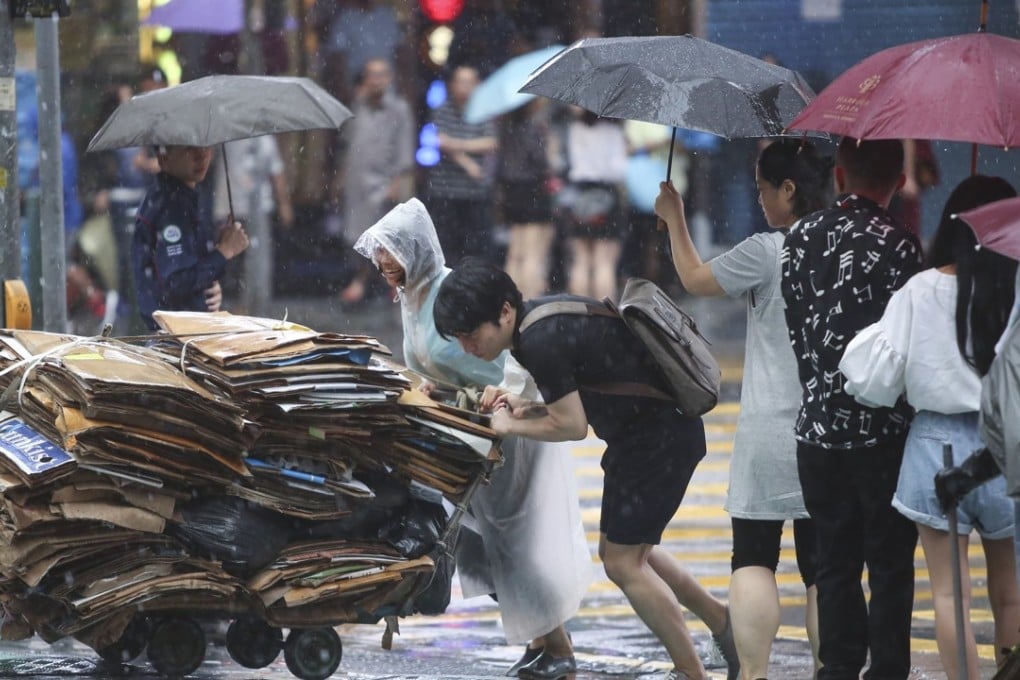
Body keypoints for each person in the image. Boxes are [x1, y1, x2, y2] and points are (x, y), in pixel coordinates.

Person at [433, 258, 740, 680]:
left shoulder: (538, 341)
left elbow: (572, 426)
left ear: (504, 311)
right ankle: (723, 624)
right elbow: (583, 391)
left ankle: (692, 673)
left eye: (471, 334)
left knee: (624, 563)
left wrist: (511, 423)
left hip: (656, 442)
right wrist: (530, 405)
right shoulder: (539, 319)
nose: (468, 346)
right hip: (650, 437)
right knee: (633, 553)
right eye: (459, 338)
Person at [353, 199, 592, 680]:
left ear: (416, 250)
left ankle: (559, 650)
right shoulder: (411, 297)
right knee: (491, 545)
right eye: (379, 259)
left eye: (391, 256)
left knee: (520, 545)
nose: (383, 267)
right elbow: (438, 369)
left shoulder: (451, 294)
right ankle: (543, 642)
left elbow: (512, 362)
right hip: (469, 436)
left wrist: (501, 402)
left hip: (513, 436)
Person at [654, 139, 830, 680]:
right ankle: (831, 669)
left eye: (761, 188)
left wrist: (674, 219)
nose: (757, 199)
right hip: (829, 432)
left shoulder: (767, 250)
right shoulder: (844, 246)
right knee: (823, 570)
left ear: (788, 190)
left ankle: (753, 674)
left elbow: (695, 280)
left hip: (767, 433)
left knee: (754, 558)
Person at [840, 175, 1020, 679]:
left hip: (936, 450)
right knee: (1009, 594)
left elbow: (877, 378)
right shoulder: (1016, 289)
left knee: (949, 593)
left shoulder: (919, 290)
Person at [780, 138, 924, 680]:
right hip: (882, 435)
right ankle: (887, 669)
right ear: (898, 179)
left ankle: (837, 667)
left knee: (833, 561)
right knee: (889, 562)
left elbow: (799, 327)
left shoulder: (796, 237)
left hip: (815, 431)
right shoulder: (903, 245)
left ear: (838, 174)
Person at [132, 145, 250, 331]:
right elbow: (176, 283)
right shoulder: (171, 206)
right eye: (189, 148)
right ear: (164, 158)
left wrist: (208, 290)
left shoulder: (183, 198)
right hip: (175, 340)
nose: (202, 155)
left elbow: (187, 272)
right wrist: (224, 251)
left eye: (206, 146)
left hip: (188, 332)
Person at [333, 58, 415, 305]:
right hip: (358, 183)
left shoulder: (399, 109)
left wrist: (397, 182)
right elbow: (347, 145)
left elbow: (405, 149)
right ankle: (360, 281)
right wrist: (340, 178)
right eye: (372, 75)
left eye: (381, 75)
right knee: (357, 236)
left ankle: (393, 283)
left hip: (385, 182)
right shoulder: (356, 106)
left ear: (389, 78)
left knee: (387, 238)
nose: (376, 80)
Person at [212, 134, 294, 316]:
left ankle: (251, 306)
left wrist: (284, 204)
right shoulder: (227, 136)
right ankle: (229, 306)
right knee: (230, 262)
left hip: (258, 210)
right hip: (228, 209)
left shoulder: (265, 140)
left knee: (255, 261)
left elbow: (276, 171)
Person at [425, 65, 499, 265]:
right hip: (445, 190)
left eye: (469, 82)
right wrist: (468, 163)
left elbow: (490, 142)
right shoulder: (443, 110)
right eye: (460, 82)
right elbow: (441, 142)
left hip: (476, 191)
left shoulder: (484, 110)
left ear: (478, 85)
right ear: (452, 85)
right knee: (445, 245)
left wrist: (456, 144)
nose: (464, 87)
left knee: (477, 246)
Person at [556, 109, 628, 300]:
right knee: (604, 263)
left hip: (580, 195)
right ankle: (603, 317)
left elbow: (570, 162)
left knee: (580, 261)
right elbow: (619, 170)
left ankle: (579, 315)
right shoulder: (613, 131)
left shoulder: (575, 129)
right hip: (607, 195)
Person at [497, 99, 557, 299]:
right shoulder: (535, 128)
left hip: (512, 192)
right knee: (533, 253)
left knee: (515, 253)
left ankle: (511, 299)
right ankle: (528, 301)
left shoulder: (506, 127)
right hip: (533, 191)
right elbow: (542, 162)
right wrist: (550, 147)